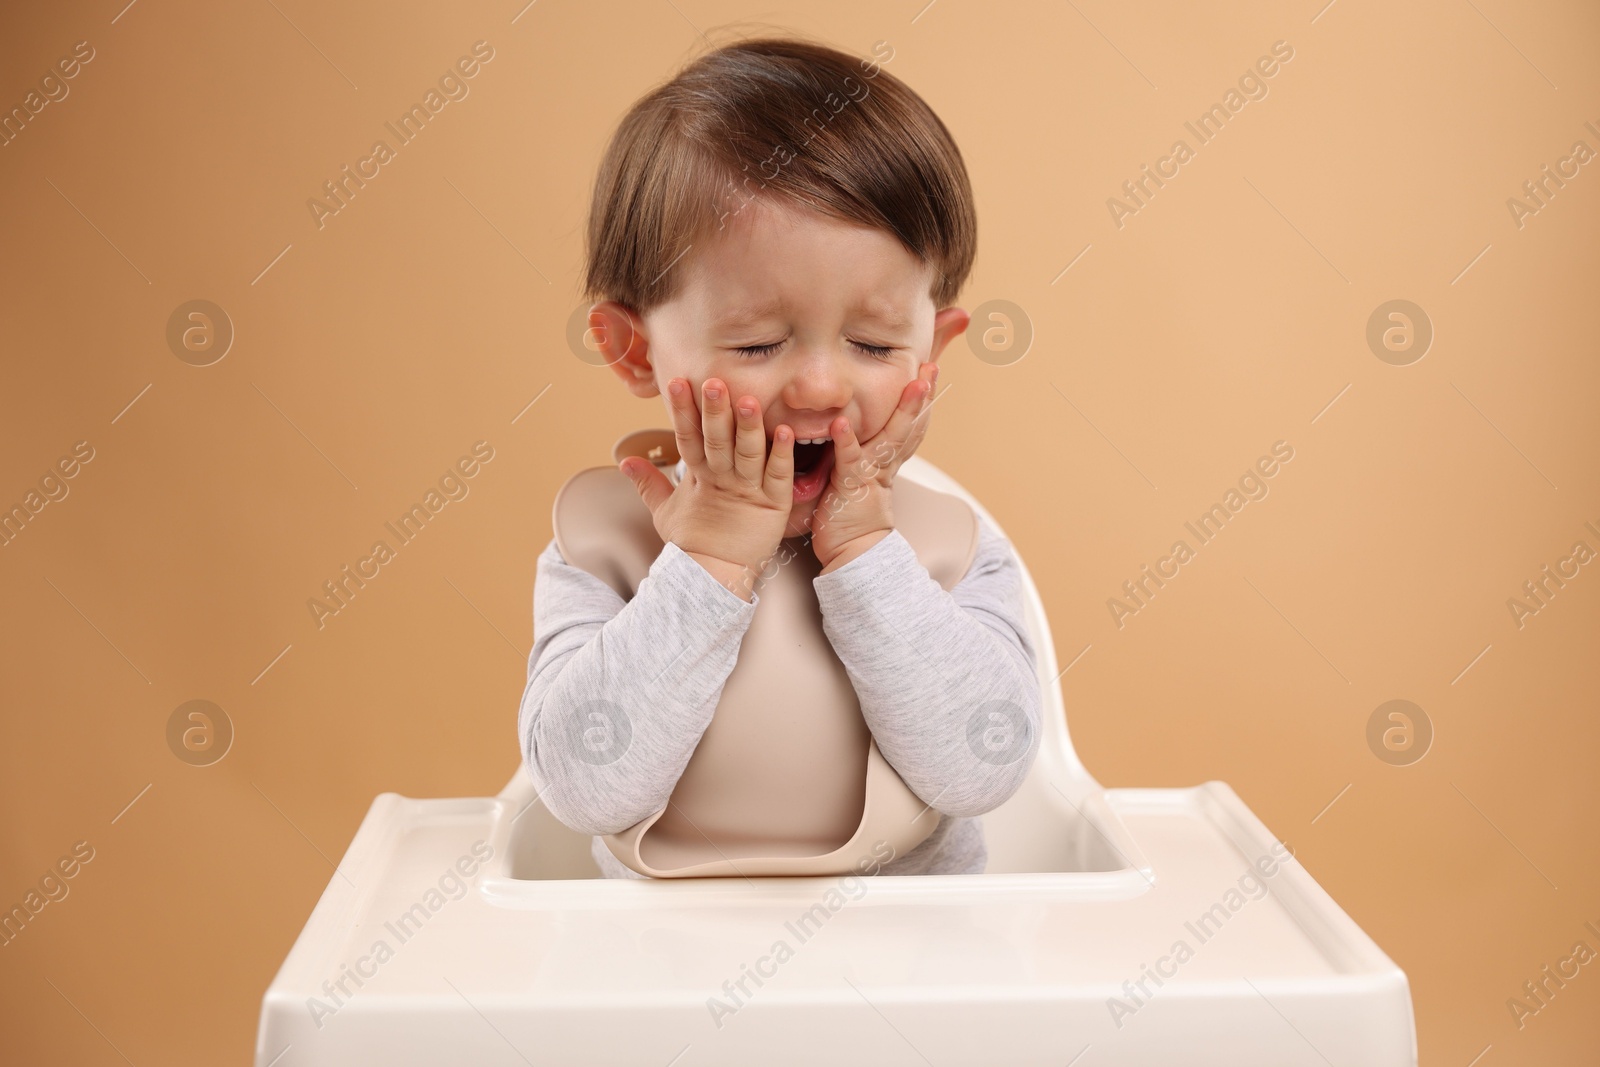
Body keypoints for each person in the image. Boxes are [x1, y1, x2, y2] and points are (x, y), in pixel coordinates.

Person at [518, 35, 1041, 878]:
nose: (824, 384)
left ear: (931, 351)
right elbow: (583, 787)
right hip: (656, 961)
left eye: (873, 343)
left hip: (914, 960)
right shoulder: (601, 545)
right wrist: (708, 560)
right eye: (760, 344)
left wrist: (870, 555)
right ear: (634, 351)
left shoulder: (950, 548)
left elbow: (984, 767)